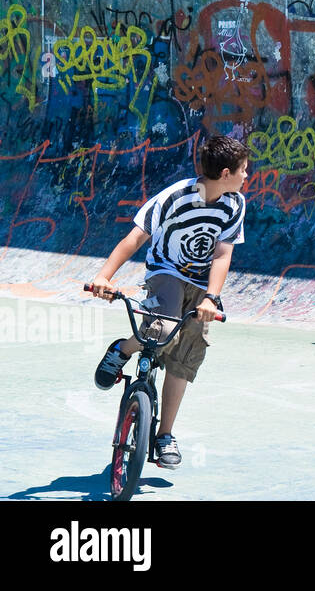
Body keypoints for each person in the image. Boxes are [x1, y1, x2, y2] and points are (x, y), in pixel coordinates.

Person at [88, 134, 249, 468]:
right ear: (224, 173)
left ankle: (164, 435)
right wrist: (104, 276)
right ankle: (123, 350)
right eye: (243, 171)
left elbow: (222, 254)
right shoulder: (175, 197)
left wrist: (212, 299)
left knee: (186, 355)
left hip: (202, 284)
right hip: (166, 271)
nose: (246, 176)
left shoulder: (234, 204)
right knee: (162, 329)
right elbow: (135, 237)